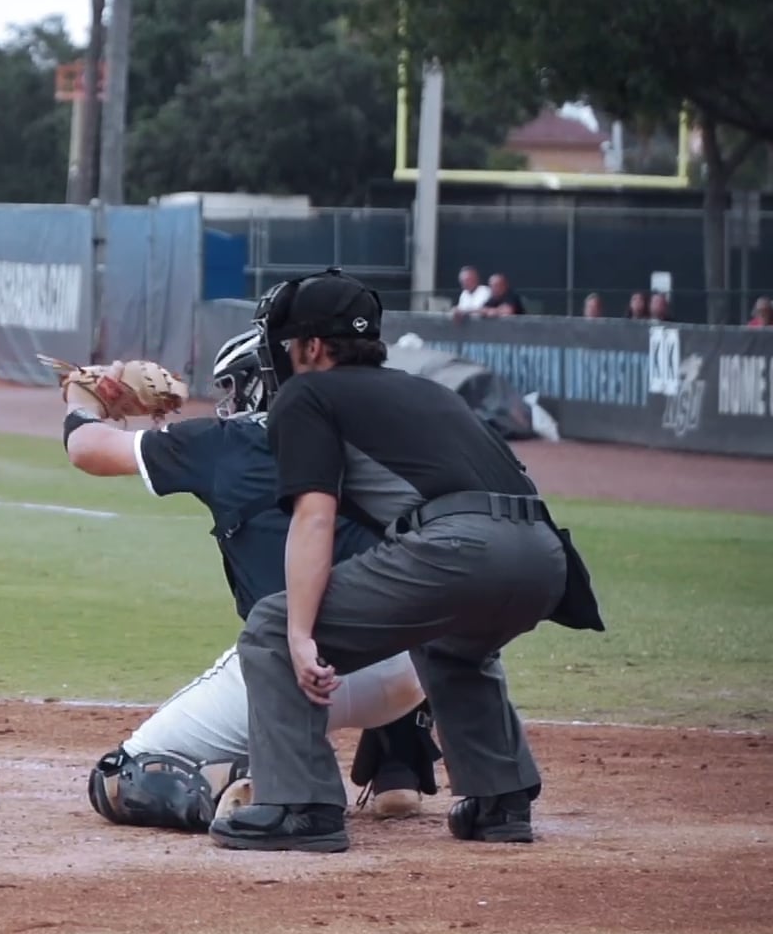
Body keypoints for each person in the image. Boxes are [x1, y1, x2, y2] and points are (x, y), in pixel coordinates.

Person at [210, 268, 602, 854]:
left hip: (462, 549)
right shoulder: (429, 389)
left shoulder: (306, 394)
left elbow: (314, 517)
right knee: (453, 644)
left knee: (269, 628)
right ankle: (500, 799)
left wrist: (298, 632)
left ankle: (300, 806)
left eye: (291, 343)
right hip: (545, 555)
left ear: (313, 347)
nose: (286, 355)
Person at [64, 329, 440, 833]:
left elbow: (88, 450)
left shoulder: (227, 443)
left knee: (119, 776)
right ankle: (400, 766)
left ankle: (247, 787)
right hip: (416, 670)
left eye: (236, 388)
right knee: (389, 580)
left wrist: (82, 399)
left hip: (301, 671)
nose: (229, 403)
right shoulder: (392, 435)